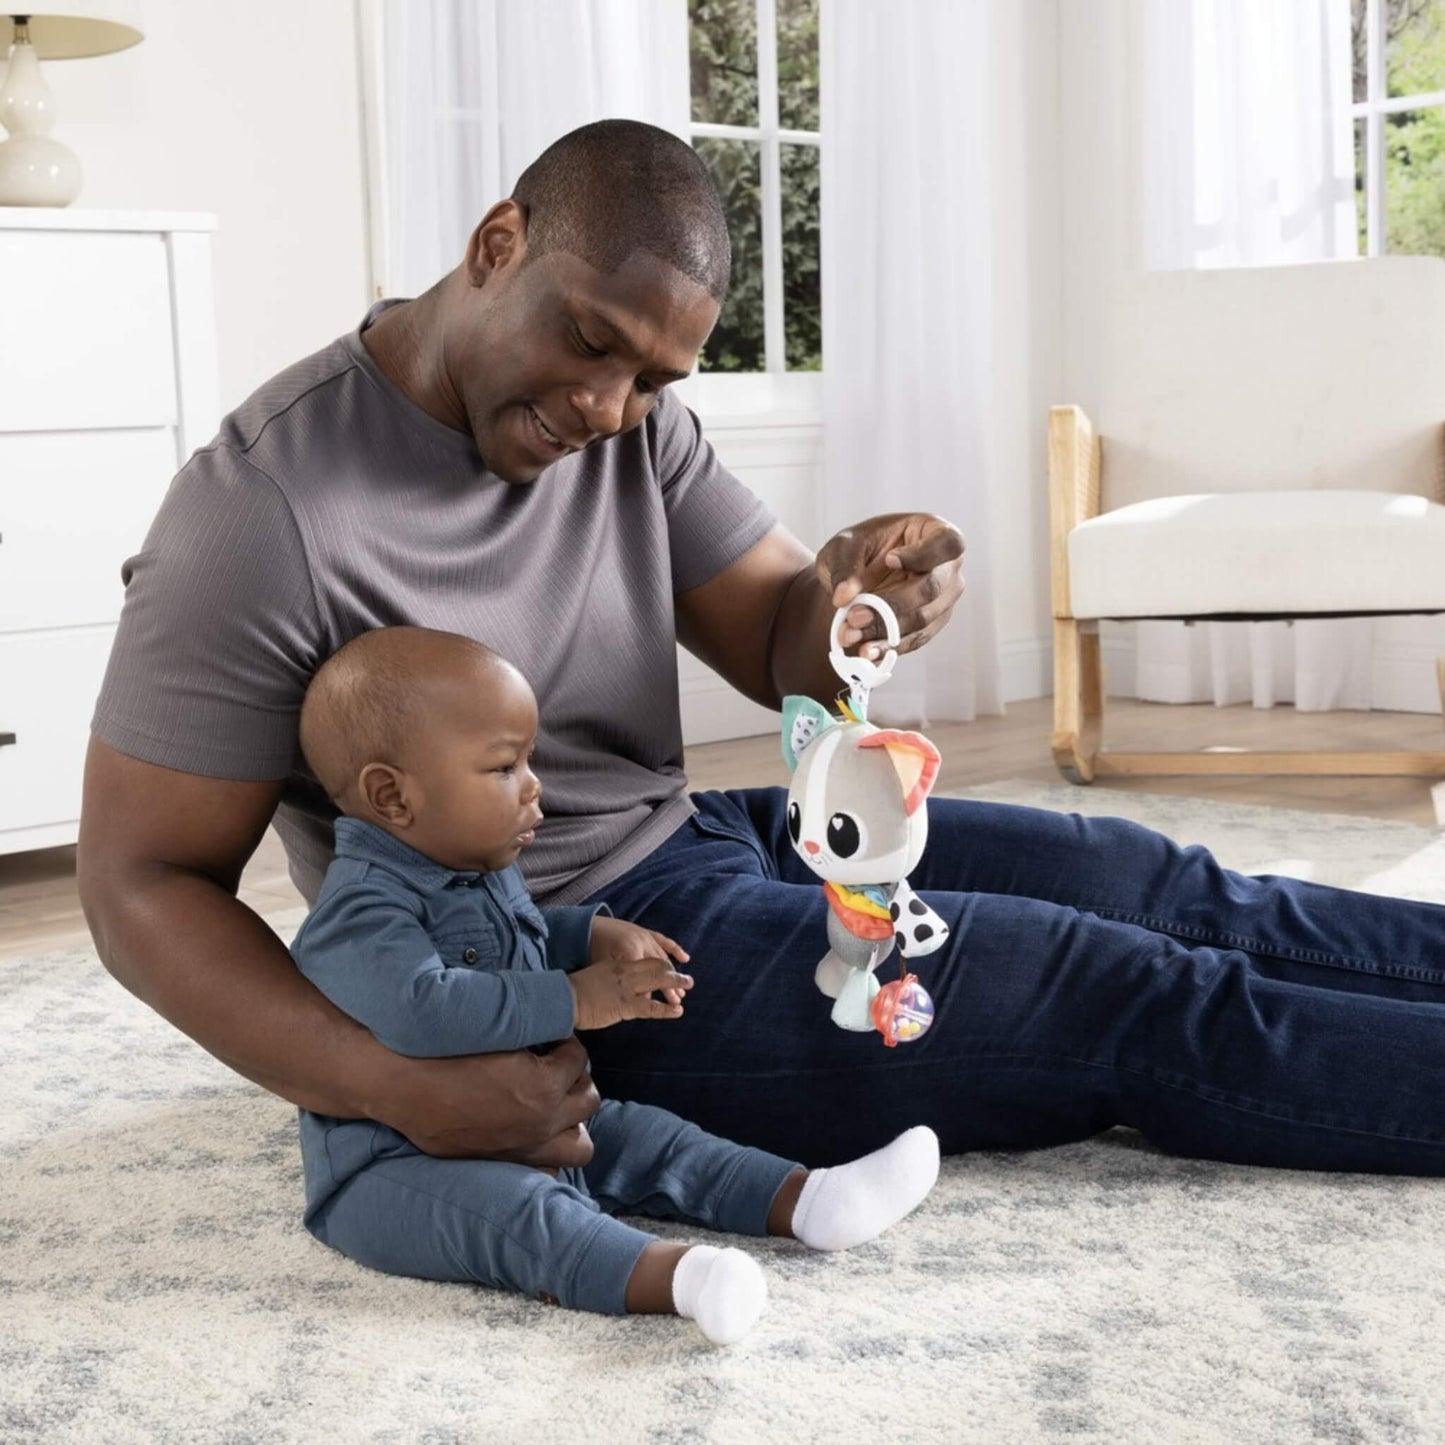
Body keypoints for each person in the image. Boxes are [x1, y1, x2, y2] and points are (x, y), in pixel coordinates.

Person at [78, 118, 1445, 1184]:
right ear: (499, 241)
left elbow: (786, 648)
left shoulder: (634, 421)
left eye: (653, 379)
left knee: (1168, 885)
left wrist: (868, 593)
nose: (606, 406)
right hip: (576, 961)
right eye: (588, 342)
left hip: (709, 840)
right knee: (1123, 993)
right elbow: (141, 880)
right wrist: (385, 1077)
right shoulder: (263, 511)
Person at [288, 625, 940, 1340]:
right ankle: (680, 1278)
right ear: (392, 796)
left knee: (652, 1138)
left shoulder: (474, 858)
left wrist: (591, 933)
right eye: (504, 768)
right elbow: (425, 1007)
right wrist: (578, 996)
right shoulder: (358, 908)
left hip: (528, 1119)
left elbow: (516, 938)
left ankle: (812, 1199)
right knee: (523, 1218)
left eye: (529, 759)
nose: (535, 787)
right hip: (394, 1167)